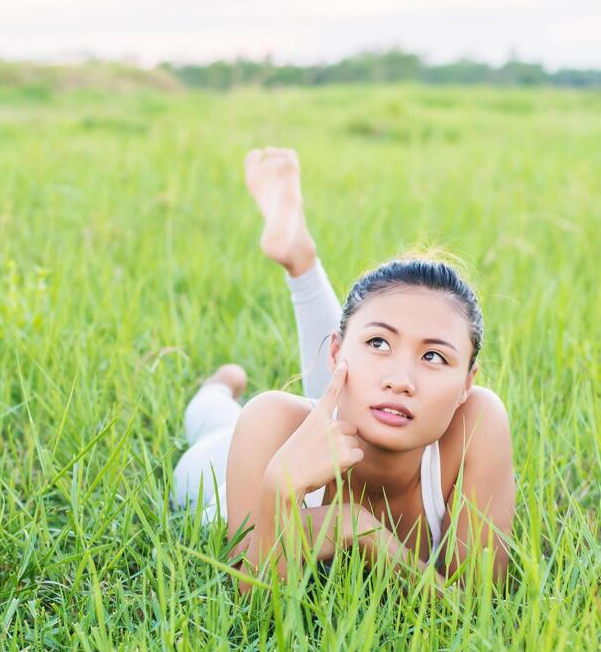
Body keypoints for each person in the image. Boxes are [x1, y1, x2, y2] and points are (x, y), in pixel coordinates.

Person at [172, 147, 516, 590]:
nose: (400, 379)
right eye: (379, 343)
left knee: (360, 395)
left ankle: (301, 262)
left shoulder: (478, 422)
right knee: (213, 419)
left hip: (333, 424)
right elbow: (254, 607)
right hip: (223, 472)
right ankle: (218, 384)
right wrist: (278, 489)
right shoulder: (269, 421)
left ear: (468, 382)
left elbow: (475, 610)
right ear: (334, 352)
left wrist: (361, 530)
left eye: (434, 356)